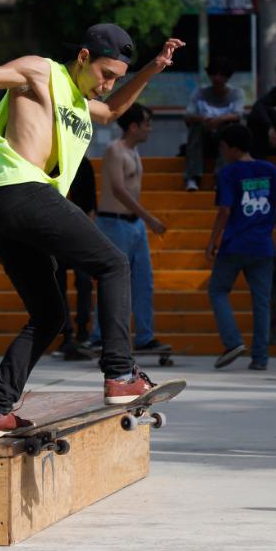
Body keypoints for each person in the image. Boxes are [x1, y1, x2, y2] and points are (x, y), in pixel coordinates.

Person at [0, 21, 184, 440]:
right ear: (83, 57)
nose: (105, 86)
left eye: (114, 79)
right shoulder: (39, 72)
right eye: (104, 74)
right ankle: (120, 372)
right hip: (21, 191)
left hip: (1, 210)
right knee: (114, 265)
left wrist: (152, 68)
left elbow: (116, 111)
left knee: (49, 315)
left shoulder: (83, 105)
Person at [82, 104, 173, 362]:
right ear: (133, 126)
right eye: (146, 124)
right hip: (114, 223)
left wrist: (143, 221)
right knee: (112, 281)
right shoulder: (115, 150)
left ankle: (144, 336)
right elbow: (119, 190)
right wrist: (150, 219)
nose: (150, 129)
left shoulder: (134, 151)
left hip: (134, 225)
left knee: (143, 282)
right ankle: (100, 335)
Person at [207, 124, 276, 371]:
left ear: (233, 148)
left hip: (234, 244)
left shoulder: (228, 173)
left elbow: (224, 210)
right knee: (261, 302)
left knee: (218, 290)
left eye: (223, 147)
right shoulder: (268, 169)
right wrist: (270, 223)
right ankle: (260, 358)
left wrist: (212, 242)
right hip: (262, 246)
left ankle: (233, 341)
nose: (222, 152)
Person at [53, 155, 96, 360]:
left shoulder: (83, 163)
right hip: (54, 234)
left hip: (78, 233)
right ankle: (66, 335)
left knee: (84, 281)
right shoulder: (50, 162)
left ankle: (82, 331)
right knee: (57, 284)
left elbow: (91, 206)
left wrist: (87, 237)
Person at [183, 60, 245, 191]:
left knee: (229, 128)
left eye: (221, 75)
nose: (217, 78)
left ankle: (220, 177)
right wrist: (204, 120)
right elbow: (188, 115)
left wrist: (219, 120)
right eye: (213, 74)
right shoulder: (200, 93)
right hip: (203, 139)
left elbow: (238, 114)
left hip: (225, 140)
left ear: (228, 77)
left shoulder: (236, 93)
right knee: (196, 128)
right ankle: (193, 177)